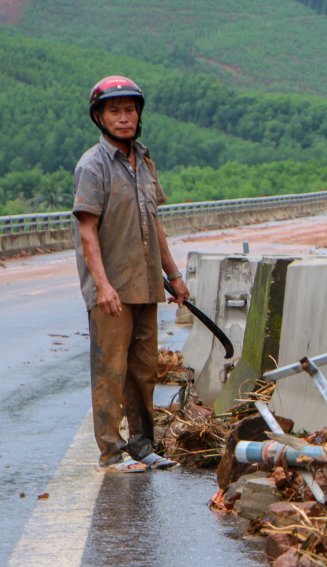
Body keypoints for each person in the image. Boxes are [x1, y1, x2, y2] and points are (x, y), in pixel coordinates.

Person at [73, 75, 188, 472]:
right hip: (112, 291)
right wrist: (102, 286)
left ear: (139, 114)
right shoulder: (93, 165)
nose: (124, 117)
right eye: (115, 111)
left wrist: (174, 275)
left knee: (143, 371)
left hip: (146, 285)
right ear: (100, 117)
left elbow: (155, 223)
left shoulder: (144, 160)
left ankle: (143, 446)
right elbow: (88, 231)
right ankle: (110, 452)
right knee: (110, 371)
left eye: (130, 109)